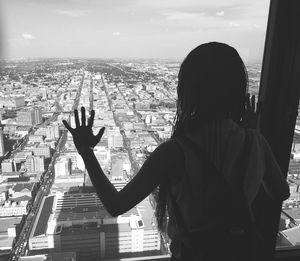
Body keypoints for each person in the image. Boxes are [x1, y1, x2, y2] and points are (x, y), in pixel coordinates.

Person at [63, 42, 290, 260]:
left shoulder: (175, 152)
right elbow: (280, 192)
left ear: (188, 90)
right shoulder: (255, 142)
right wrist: (250, 138)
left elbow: (116, 204)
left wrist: (86, 151)